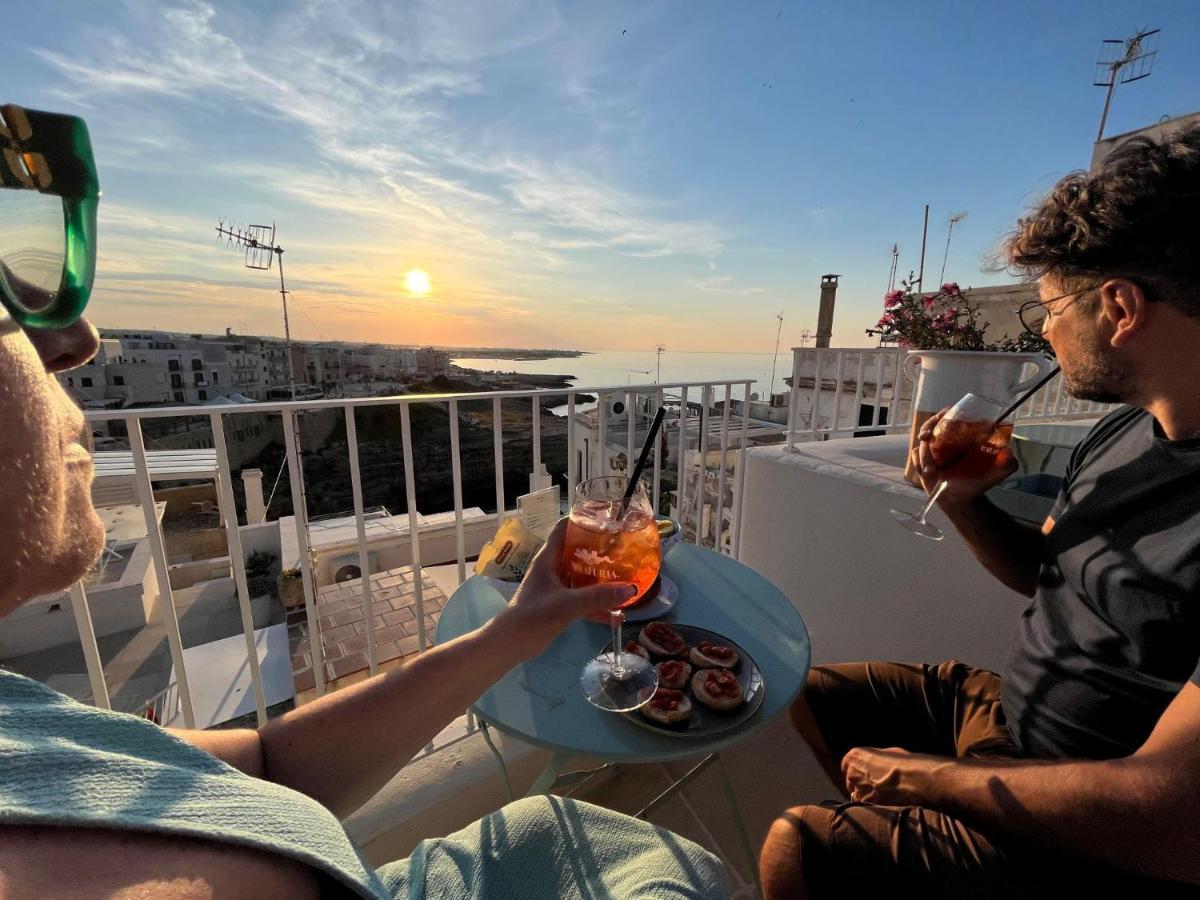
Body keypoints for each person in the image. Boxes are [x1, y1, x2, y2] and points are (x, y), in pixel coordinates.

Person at [0, 103, 725, 898]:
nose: (77, 340)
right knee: (692, 868)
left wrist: (519, 628)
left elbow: (271, 772)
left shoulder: (20, 722)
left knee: (627, 846)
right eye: (11, 290)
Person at [760, 124, 1200, 898]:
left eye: (1049, 311)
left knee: (800, 848)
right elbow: (1045, 573)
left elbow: (1168, 817)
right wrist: (966, 503)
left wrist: (929, 781)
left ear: (1121, 307)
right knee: (811, 689)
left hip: (1101, 818)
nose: (1047, 336)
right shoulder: (1126, 431)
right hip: (1012, 719)